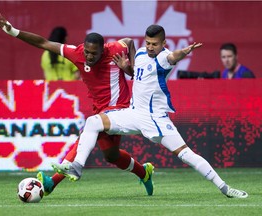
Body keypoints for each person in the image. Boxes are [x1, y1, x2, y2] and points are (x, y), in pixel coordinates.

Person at [52, 24, 248, 198]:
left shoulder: (164, 57)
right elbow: (138, 75)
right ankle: (77, 167)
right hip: (134, 113)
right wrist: (126, 67)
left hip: (156, 120)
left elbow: (173, 56)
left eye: (155, 43)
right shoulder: (140, 54)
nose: (151, 47)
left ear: (163, 43)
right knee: (93, 122)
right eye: (148, 43)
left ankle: (225, 188)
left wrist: (184, 51)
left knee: (187, 155)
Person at [0, 12, 154, 196]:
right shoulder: (76, 53)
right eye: (87, 51)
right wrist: (13, 31)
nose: (89, 56)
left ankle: (52, 183)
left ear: (104, 50)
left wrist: (131, 69)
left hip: (120, 109)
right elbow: (43, 43)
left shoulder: (115, 50)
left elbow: (130, 42)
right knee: (112, 156)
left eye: (94, 53)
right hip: (101, 109)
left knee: (89, 129)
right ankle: (144, 172)